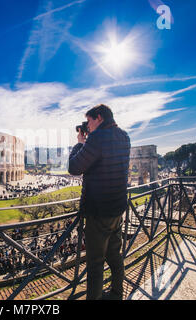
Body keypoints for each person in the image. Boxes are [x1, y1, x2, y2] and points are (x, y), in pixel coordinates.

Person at [68, 104, 130, 300]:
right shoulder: (124, 136)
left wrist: (79, 143)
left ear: (100, 117)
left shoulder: (97, 138)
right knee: (114, 256)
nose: (88, 125)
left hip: (98, 211)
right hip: (117, 208)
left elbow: (74, 167)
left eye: (89, 120)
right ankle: (116, 294)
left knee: (95, 264)